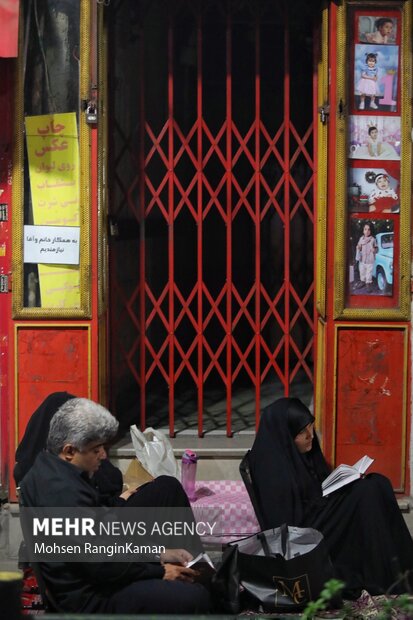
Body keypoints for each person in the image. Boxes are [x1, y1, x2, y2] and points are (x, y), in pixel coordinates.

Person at [19, 397, 211, 614]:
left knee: (166, 489)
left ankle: (198, 572)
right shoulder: (61, 492)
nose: (103, 455)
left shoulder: (56, 469)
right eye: (95, 450)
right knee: (194, 598)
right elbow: (102, 561)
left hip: (99, 572)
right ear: (69, 451)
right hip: (90, 596)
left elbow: (106, 532)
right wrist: (159, 570)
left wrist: (157, 553)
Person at [247, 398, 413, 596]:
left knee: (377, 483)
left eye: (311, 428)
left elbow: (317, 486)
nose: (310, 436)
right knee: (365, 493)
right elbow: (288, 523)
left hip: (318, 515)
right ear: (286, 436)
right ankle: (384, 575)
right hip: (302, 536)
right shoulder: (272, 467)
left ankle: (402, 567)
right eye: (301, 432)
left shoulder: (299, 453)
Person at [354, 222, 377, 292]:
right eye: (365, 229)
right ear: (363, 230)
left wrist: (374, 250)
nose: (367, 231)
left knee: (369, 273)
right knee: (362, 271)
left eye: (369, 229)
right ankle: (362, 281)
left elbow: (376, 248)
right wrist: (358, 247)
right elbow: (359, 246)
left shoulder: (373, 239)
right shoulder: (361, 239)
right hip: (362, 259)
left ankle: (368, 284)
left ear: (371, 231)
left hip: (370, 259)